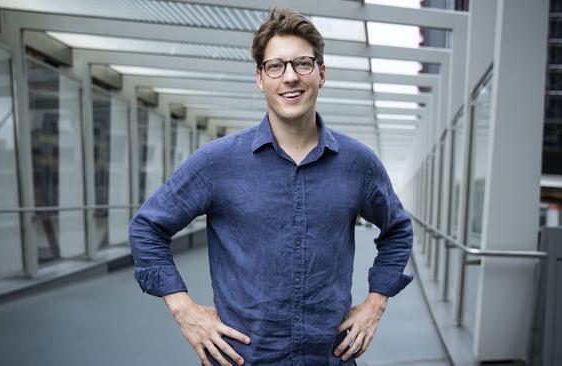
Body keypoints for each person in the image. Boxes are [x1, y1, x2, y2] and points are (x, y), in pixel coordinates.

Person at [129, 8, 413, 366]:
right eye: (276, 66)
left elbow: (398, 229)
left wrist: (376, 302)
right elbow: (148, 227)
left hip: (328, 357)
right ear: (260, 79)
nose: (290, 77)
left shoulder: (359, 163)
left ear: (321, 74)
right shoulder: (217, 162)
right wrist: (182, 307)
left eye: (303, 64)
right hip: (243, 358)